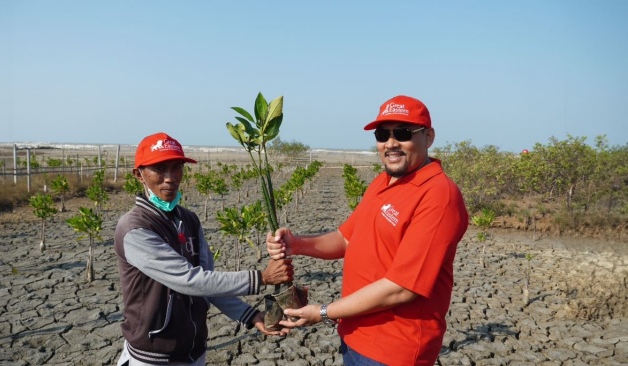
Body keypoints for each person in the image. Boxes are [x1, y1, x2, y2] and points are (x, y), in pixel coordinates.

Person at [267, 95, 469, 366]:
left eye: (403, 133)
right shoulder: (384, 180)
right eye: (383, 134)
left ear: (429, 137)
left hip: (394, 349)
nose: (391, 143)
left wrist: (324, 312)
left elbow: (401, 289)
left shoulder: (439, 196)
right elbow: (346, 238)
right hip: (355, 336)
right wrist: (296, 244)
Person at [114, 132, 293, 366]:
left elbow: (207, 284)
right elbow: (190, 280)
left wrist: (249, 315)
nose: (170, 178)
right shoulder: (134, 228)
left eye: (176, 167)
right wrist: (262, 278)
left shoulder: (189, 220)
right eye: (159, 169)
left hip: (194, 350)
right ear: (139, 175)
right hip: (153, 356)